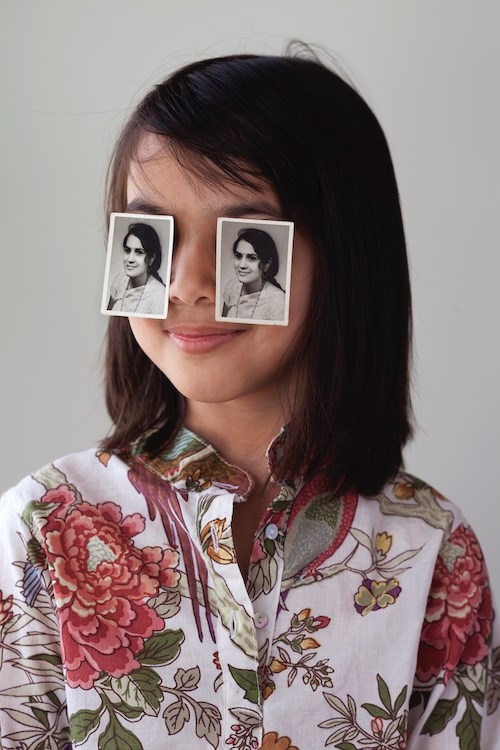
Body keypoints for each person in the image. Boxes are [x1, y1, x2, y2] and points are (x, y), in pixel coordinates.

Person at [0, 50, 498, 750]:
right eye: (154, 234)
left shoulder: (432, 551)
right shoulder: (41, 531)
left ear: (344, 255)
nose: (189, 282)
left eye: (245, 237)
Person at [222, 227, 286, 320]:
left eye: (252, 258)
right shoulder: (232, 287)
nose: (242, 265)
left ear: (266, 264)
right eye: (238, 256)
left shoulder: (278, 303)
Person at [107, 222, 167, 314]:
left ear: (151, 259)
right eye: (127, 250)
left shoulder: (159, 295)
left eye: (139, 252)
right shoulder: (120, 280)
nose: (130, 259)